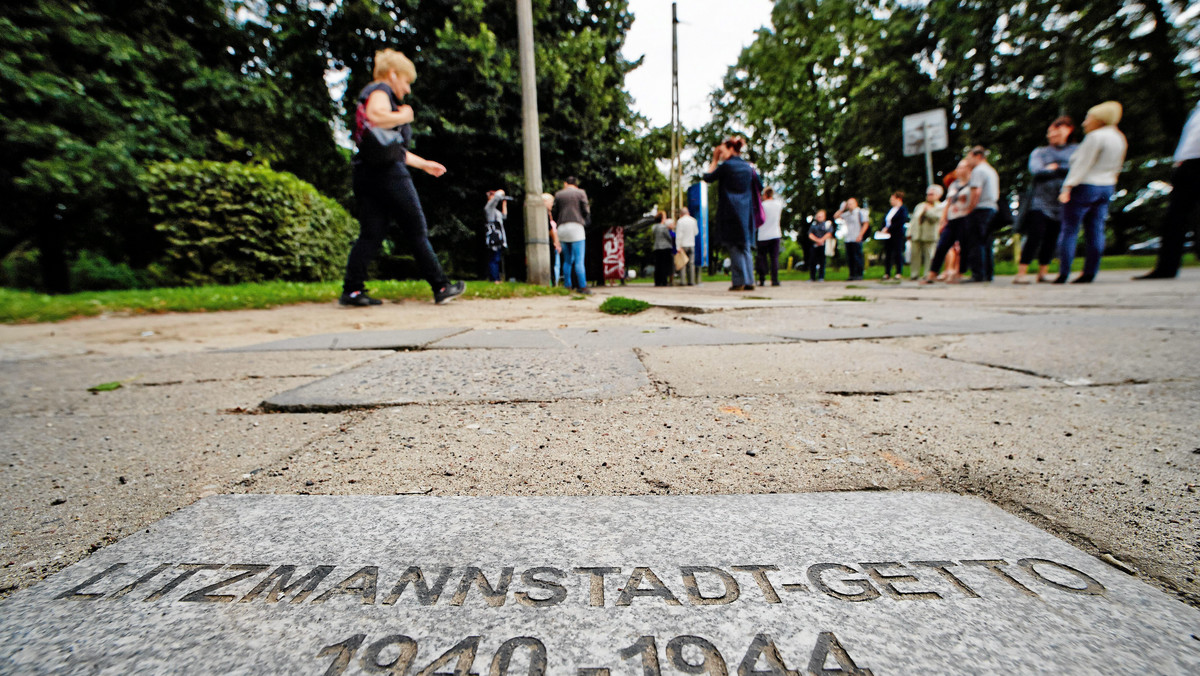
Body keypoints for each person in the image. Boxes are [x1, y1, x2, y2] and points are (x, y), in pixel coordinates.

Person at [340, 49, 464, 306]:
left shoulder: (373, 94)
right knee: (416, 229)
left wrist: (424, 164)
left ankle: (352, 290)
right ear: (393, 74)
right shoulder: (380, 91)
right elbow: (376, 117)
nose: (407, 89)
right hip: (388, 175)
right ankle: (441, 286)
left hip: (367, 173)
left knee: (371, 233)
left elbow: (391, 148)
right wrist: (404, 115)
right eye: (406, 81)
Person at [1056, 101, 1127, 284]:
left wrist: (1067, 188)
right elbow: (1117, 166)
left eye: (1089, 118)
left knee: (1070, 229)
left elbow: (1082, 164)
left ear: (1099, 119)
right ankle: (1090, 271)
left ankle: (1064, 272)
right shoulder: (1119, 138)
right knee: (1096, 229)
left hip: (1085, 185)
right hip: (1106, 186)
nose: (1085, 122)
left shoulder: (1095, 137)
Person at [1136, 100, 1200, 280]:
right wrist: (1180, 160)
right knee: (1175, 218)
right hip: (1188, 164)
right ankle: (1167, 266)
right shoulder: (1197, 108)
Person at [1016, 117, 1076, 284]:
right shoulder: (1040, 152)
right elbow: (1036, 171)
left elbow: (1077, 168)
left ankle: (1043, 272)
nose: (1053, 134)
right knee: (1035, 235)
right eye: (1051, 131)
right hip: (1040, 201)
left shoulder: (1075, 150)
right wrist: (1061, 169)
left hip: (1062, 199)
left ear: (1069, 130)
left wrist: (1055, 167)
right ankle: (1021, 273)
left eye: (1058, 130)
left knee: (1052, 237)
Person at [702, 136, 762, 291]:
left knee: (734, 246)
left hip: (730, 209)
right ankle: (749, 280)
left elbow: (707, 177)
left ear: (730, 149)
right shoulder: (748, 167)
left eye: (722, 151)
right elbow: (760, 185)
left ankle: (738, 281)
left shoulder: (726, 166)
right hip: (746, 211)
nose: (720, 154)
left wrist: (715, 161)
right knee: (746, 246)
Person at [922, 159, 974, 284]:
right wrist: (943, 219)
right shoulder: (954, 185)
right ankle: (932, 273)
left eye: (962, 167)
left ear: (969, 169)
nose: (959, 170)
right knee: (942, 245)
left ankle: (959, 273)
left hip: (965, 217)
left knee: (964, 247)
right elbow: (949, 203)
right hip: (952, 218)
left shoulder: (973, 184)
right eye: (958, 167)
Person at [963, 146, 1000, 282]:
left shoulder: (978, 170)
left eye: (969, 158)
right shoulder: (991, 170)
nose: (968, 161)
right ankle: (988, 274)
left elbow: (976, 191)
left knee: (976, 241)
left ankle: (978, 274)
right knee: (986, 242)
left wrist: (970, 208)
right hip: (992, 208)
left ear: (978, 156)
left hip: (981, 208)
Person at [552, 176, 591, 294]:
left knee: (567, 260)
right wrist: (585, 220)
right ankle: (582, 286)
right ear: (576, 184)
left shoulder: (559, 194)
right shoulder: (580, 193)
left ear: (565, 183)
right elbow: (586, 209)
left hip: (562, 227)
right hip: (576, 227)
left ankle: (567, 285)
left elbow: (554, 211)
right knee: (579, 260)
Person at [908, 185, 944, 280]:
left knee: (930, 255)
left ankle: (928, 274)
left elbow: (936, 219)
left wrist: (928, 211)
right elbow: (913, 220)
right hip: (917, 233)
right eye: (928, 194)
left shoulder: (940, 206)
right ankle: (914, 274)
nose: (929, 196)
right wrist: (909, 232)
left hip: (930, 234)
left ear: (938, 195)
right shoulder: (920, 205)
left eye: (931, 194)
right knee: (915, 255)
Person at [834, 197, 868, 280]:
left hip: (857, 237)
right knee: (850, 258)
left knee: (858, 257)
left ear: (856, 203)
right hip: (848, 238)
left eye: (851, 203)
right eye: (848, 204)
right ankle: (852, 275)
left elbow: (865, 224)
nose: (850, 205)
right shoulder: (847, 213)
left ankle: (859, 274)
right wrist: (842, 208)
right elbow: (836, 216)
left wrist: (860, 235)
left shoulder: (860, 212)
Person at [757, 187, 784, 286]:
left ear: (765, 195)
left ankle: (762, 278)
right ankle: (775, 280)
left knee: (762, 258)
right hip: (775, 234)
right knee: (774, 258)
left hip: (763, 235)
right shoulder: (778, 204)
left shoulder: (762, 205)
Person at [881, 191, 908, 280]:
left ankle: (898, 272)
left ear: (898, 199)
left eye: (892, 199)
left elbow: (901, 221)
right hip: (887, 235)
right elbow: (885, 221)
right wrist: (884, 229)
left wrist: (889, 228)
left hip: (897, 234)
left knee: (898, 252)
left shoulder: (902, 209)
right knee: (888, 253)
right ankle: (887, 272)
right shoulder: (890, 210)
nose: (890, 201)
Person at [483, 189, 508, 283]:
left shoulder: (495, 211)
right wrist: (500, 192)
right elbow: (496, 198)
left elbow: (504, 216)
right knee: (494, 258)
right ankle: (494, 278)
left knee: (496, 258)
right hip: (493, 237)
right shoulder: (488, 208)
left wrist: (504, 203)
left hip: (499, 237)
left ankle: (496, 277)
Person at [808, 209, 834, 281]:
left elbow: (829, 233)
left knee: (822, 261)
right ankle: (812, 277)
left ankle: (821, 277)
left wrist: (821, 240)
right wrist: (817, 240)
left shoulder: (827, 224)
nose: (819, 217)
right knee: (812, 261)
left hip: (823, 245)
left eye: (821, 216)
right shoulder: (813, 225)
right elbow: (810, 234)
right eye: (818, 216)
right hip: (815, 245)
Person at [542, 192, 562, 287]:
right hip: (549, 243)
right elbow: (550, 230)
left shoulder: (548, 214)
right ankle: (552, 283)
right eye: (551, 202)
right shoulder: (543, 214)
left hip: (551, 242)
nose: (552, 205)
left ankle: (554, 282)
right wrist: (555, 241)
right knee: (553, 264)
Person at [675, 207, 699, 285]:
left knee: (683, 263)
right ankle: (691, 281)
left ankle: (683, 281)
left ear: (681, 214)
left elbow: (678, 235)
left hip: (683, 245)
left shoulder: (680, 221)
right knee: (691, 263)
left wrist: (678, 247)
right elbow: (696, 232)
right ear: (688, 213)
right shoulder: (693, 220)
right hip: (691, 244)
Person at [652, 211, 675, 286]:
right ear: (662, 218)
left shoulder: (654, 227)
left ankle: (657, 281)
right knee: (665, 265)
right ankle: (664, 281)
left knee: (658, 265)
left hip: (657, 247)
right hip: (665, 247)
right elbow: (669, 237)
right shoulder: (664, 227)